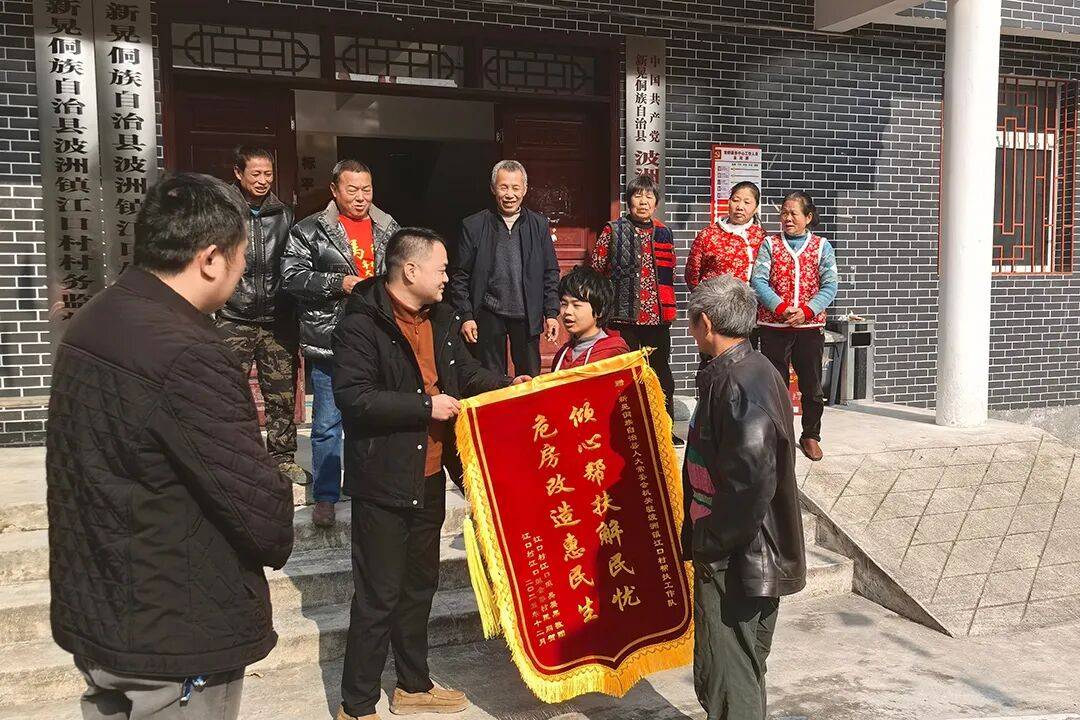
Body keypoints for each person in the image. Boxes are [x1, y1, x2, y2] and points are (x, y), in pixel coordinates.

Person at [46, 173, 295, 720]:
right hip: (175, 627)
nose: (242, 271)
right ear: (211, 259)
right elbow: (260, 511)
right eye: (241, 257)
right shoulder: (190, 352)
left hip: (101, 608)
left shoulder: (93, 320)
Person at [332, 227, 529, 720]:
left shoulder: (441, 317)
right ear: (410, 270)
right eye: (441, 269)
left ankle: (413, 686)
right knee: (378, 594)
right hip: (383, 478)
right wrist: (426, 406)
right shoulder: (361, 323)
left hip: (430, 474)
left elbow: (464, 374)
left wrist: (508, 385)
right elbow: (354, 398)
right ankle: (357, 704)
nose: (447, 278)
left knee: (420, 587)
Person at [682, 275, 806, 720]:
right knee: (739, 668)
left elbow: (750, 483)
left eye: (692, 322)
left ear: (706, 323)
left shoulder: (738, 382)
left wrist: (710, 541)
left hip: (738, 556)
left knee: (729, 675)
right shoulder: (749, 368)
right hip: (744, 549)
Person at [282, 159, 401, 527]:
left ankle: (368, 487)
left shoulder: (388, 227)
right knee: (327, 423)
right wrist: (339, 283)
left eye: (366, 189)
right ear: (334, 190)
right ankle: (326, 495)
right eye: (352, 190)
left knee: (374, 418)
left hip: (376, 339)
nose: (361, 197)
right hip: (331, 339)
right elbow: (291, 276)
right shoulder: (310, 230)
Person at [216, 146, 308, 485]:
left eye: (268, 174)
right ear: (238, 173)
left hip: (277, 318)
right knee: (226, 391)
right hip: (233, 316)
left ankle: (283, 458)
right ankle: (227, 457)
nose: (262, 180)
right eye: (255, 173)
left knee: (281, 394)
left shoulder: (284, 215)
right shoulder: (221, 212)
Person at [588, 173, 681, 445]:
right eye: (637, 196)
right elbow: (597, 271)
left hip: (658, 319)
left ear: (656, 202)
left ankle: (664, 428)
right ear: (628, 201)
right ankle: (624, 429)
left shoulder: (664, 232)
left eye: (649, 196)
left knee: (661, 375)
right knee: (624, 374)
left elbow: (671, 270)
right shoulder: (613, 230)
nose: (643, 201)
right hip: (623, 317)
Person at [449, 159, 560, 377]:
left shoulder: (538, 225)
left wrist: (551, 313)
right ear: (493, 188)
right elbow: (460, 275)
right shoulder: (474, 225)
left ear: (525, 189)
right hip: (488, 312)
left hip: (527, 313)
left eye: (515, 188)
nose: (510, 194)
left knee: (530, 377)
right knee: (491, 378)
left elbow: (550, 271)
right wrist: (466, 315)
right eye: (504, 187)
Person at [750, 191, 839, 462]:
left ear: (808, 217)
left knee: (812, 385)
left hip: (809, 328)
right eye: (784, 213)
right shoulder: (770, 244)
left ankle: (810, 435)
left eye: (794, 213)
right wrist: (780, 307)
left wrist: (807, 311)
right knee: (774, 385)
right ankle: (778, 435)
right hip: (774, 326)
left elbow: (830, 285)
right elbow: (759, 280)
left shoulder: (822, 246)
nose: (787, 218)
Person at [685, 181, 765, 289]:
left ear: (756, 208)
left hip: (750, 299)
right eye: (735, 200)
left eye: (747, 202)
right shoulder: (708, 235)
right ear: (729, 202)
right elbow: (692, 273)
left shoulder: (761, 237)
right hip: (713, 298)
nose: (740, 207)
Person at [550, 265, 630, 371]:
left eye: (576, 305)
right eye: (564, 304)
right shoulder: (561, 355)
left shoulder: (614, 354)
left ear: (600, 311)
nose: (567, 311)